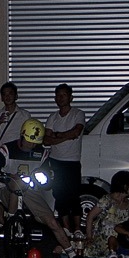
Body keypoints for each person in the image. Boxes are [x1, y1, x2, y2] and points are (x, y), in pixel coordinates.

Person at [0, 119, 75, 257]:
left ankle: (71, 253)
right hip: (7, 189)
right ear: (22, 135)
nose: (32, 145)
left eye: (35, 142)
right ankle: (11, 219)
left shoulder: (42, 153)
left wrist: (43, 177)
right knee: (17, 183)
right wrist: (2, 175)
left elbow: (47, 178)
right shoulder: (6, 150)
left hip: (30, 190)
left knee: (52, 221)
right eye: (29, 141)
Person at [43, 83, 86, 234]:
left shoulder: (78, 114)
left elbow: (76, 132)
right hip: (55, 161)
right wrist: (63, 136)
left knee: (73, 196)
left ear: (70, 97)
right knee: (60, 195)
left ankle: (78, 229)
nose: (60, 98)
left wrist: (57, 135)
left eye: (63, 95)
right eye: (58, 95)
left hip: (72, 161)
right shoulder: (52, 117)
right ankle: (66, 228)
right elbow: (45, 140)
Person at [82, 170, 129, 258]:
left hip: (118, 243)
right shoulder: (107, 200)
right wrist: (89, 236)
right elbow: (90, 216)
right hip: (100, 240)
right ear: (125, 186)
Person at [0, 81, 31, 147]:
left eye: (10, 94)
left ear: (16, 96)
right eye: (4, 94)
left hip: (18, 151)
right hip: (3, 150)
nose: (7, 97)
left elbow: (29, 136)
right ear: (2, 98)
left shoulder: (25, 115)